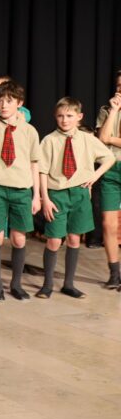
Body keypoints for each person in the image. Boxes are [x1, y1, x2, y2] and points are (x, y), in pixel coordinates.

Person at [38, 97, 115, 299]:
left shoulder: (87, 139)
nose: (65, 120)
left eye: (69, 116)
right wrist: (45, 198)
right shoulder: (49, 140)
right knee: (54, 240)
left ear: (79, 117)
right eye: (60, 116)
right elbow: (42, 171)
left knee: (74, 239)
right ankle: (47, 284)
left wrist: (94, 176)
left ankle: (69, 284)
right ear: (55, 117)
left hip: (80, 194)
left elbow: (109, 158)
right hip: (57, 195)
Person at [0, 80, 42, 301]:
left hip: (21, 190)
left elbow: (35, 163)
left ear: (19, 103)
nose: (3, 105)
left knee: (19, 239)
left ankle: (16, 284)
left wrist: (36, 196)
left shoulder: (30, 131)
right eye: (0, 101)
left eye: (9, 101)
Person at [96, 70, 121, 288]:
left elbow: (108, 139)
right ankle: (114, 273)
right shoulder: (106, 110)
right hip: (111, 169)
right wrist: (113, 111)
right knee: (108, 223)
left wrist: (111, 139)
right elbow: (102, 139)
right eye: (119, 85)